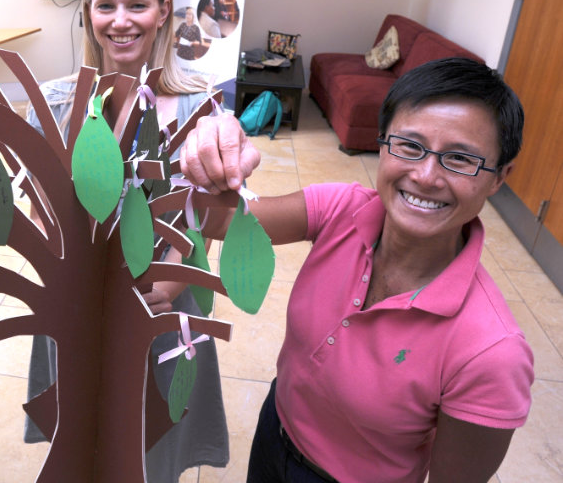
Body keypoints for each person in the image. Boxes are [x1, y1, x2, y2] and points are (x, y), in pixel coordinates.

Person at [180, 57, 534, 482]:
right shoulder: (343, 209)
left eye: (460, 159)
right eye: (409, 145)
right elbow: (218, 220)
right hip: (276, 430)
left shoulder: (492, 352)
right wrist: (212, 146)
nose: (425, 176)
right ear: (382, 143)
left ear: (498, 177)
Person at [24, 0, 230, 482]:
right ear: (88, 13)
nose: (120, 21)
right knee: (81, 442)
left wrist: (170, 270)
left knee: (150, 444)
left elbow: (207, 210)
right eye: (105, 5)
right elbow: (40, 207)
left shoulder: (198, 106)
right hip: (77, 311)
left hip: (157, 308)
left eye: (137, 5)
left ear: (164, 10)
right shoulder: (53, 102)